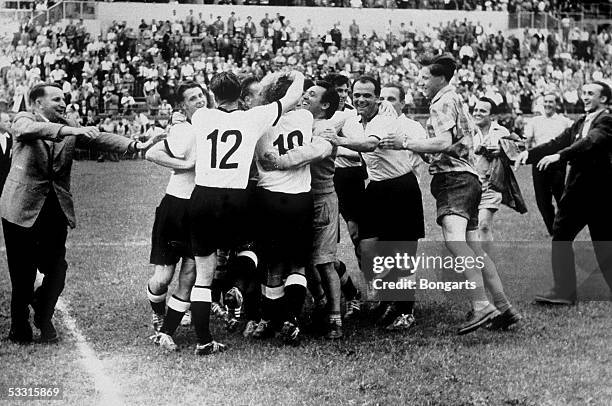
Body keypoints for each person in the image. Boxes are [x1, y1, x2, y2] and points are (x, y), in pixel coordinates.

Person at [1, 84, 154, 344]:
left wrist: (135, 145)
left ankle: (42, 311)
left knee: (57, 267)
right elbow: (26, 131)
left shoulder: (70, 124)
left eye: (65, 99)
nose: (63, 103)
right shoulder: (24, 119)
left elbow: (99, 138)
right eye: (57, 99)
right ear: (38, 103)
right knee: (22, 273)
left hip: (55, 206)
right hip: (21, 206)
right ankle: (19, 328)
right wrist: (70, 129)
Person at [171, 71, 304, 355]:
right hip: (237, 197)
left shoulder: (202, 117)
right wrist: (296, 75)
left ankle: (204, 340)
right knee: (253, 249)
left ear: (212, 94)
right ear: (239, 94)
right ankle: (237, 286)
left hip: (204, 195)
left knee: (203, 276)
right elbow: (292, 97)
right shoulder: (252, 118)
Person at [398, 56, 520, 334]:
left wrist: (406, 142)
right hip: (470, 178)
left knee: (455, 242)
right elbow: (452, 144)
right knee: (475, 249)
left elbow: (443, 142)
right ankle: (504, 307)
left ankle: (481, 305)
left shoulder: (441, 101)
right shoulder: (455, 99)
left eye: (424, 77)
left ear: (440, 78)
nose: (421, 83)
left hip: (454, 180)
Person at [324, 77, 425, 331]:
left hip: (401, 187)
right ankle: (389, 296)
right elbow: (325, 127)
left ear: (377, 98)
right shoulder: (352, 119)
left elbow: (370, 144)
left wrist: (338, 141)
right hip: (377, 188)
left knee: (400, 252)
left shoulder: (384, 118)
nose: (360, 100)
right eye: (357, 95)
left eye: (367, 96)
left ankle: (405, 310)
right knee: (368, 246)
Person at [515, 81, 612, 304]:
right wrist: (529, 155)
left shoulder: (606, 120)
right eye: (584, 93)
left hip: (599, 193)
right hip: (578, 192)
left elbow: (591, 142)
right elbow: (556, 142)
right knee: (562, 235)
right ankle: (564, 291)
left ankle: (565, 291)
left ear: (604, 99)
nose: (585, 97)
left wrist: (561, 156)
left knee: (603, 241)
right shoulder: (580, 122)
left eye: (591, 94)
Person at [252, 73, 315, 344]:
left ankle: (270, 320)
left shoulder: (258, 121)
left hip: (271, 198)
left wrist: (273, 80)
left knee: (273, 266)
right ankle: (291, 319)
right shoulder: (305, 118)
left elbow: (265, 162)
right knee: (298, 264)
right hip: (300, 197)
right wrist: (296, 75)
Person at [144, 81, 207, 352]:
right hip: (175, 208)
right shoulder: (183, 129)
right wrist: (187, 165)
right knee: (163, 277)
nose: (200, 101)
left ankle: (170, 323)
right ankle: (157, 311)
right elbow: (151, 153)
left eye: (201, 95)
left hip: (200, 209)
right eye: (192, 98)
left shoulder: (212, 124)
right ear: (182, 106)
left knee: (191, 271)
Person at [523, 93, 573, 235]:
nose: (548, 105)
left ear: (556, 104)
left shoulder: (564, 121)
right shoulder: (535, 121)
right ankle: (552, 230)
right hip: (538, 161)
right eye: (546, 102)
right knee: (542, 199)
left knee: (560, 196)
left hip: (557, 161)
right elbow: (526, 139)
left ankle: (562, 227)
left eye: (551, 102)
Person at [0, 112, 12, 194]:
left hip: (6, 182)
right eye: (6, 121)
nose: (9, 124)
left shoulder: (12, 139)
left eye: (9, 121)